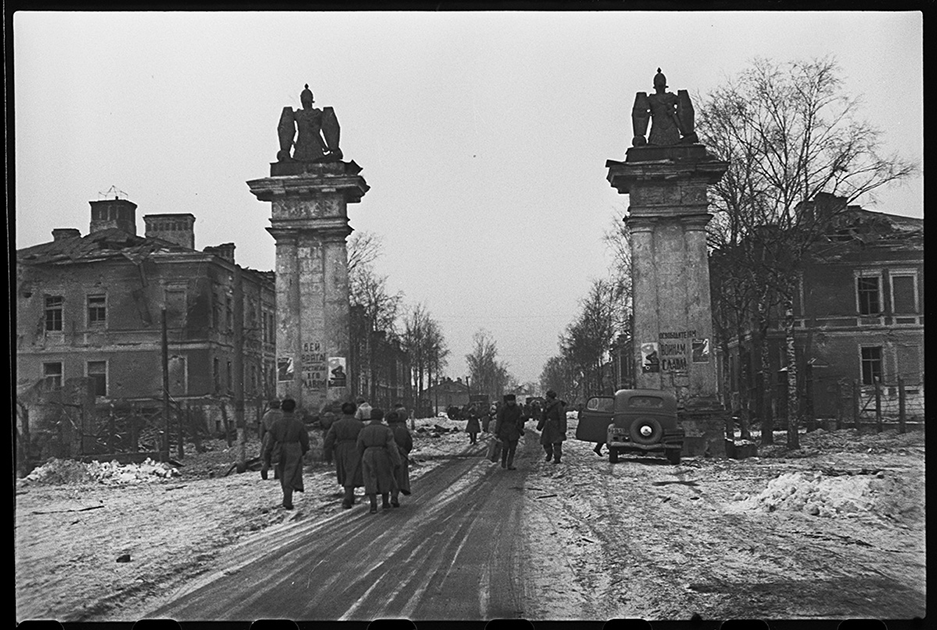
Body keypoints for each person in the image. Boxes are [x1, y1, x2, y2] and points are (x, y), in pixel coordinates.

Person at [261, 398, 309, 509]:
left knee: (282, 473)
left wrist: (267, 453)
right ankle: (288, 498)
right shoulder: (299, 423)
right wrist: (303, 450)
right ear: (293, 409)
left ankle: (287, 495)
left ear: (282, 409)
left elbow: (270, 442)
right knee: (291, 473)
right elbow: (305, 440)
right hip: (294, 449)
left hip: (279, 449)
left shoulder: (276, 424)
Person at [356, 408, 401, 514]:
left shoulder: (364, 430)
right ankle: (385, 503)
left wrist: (362, 455)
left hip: (368, 453)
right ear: (381, 417)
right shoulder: (386, 430)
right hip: (382, 453)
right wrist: (397, 460)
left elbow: (359, 445)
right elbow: (391, 446)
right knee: (384, 476)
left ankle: (373, 505)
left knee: (370, 478)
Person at [323, 402, 365, 509]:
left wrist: (328, 454)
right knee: (353, 471)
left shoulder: (337, 424)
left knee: (344, 472)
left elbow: (329, 440)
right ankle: (348, 496)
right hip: (356, 448)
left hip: (341, 449)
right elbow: (365, 438)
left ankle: (348, 495)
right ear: (355, 411)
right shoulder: (359, 424)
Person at [386, 411, 413, 507]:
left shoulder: (384, 430)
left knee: (388, 477)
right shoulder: (403, 431)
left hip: (386, 456)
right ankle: (394, 496)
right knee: (398, 477)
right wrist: (405, 452)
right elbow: (409, 444)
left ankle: (386, 499)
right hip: (401, 455)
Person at [496, 394, 525, 470]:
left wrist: (521, 426)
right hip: (504, 430)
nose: (511, 402)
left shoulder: (517, 409)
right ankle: (503, 461)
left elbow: (520, 419)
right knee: (505, 447)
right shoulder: (503, 409)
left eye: (512, 400)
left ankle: (510, 464)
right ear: (507, 401)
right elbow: (499, 420)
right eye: (509, 400)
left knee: (513, 449)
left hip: (514, 430)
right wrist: (497, 431)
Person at [538, 390, 567, 464]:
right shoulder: (546, 405)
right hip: (548, 425)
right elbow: (543, 416)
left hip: (556, 425)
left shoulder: (558, 405)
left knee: (557, 443)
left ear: (550, 397)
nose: (546, 398)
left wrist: (562, 429)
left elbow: (562, 417)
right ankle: (549, 454)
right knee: (545, 442)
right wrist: (540, 425)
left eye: (547, 396)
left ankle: (557, 458)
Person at [259, 399, 282, 480]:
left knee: (267, 454)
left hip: (268, 435)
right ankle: (277, 474)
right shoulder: (282, 415)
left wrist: (262, 439)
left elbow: (262, 428)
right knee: (278, 455)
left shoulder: (266, 415)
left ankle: (265, 468)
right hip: (279, 436)